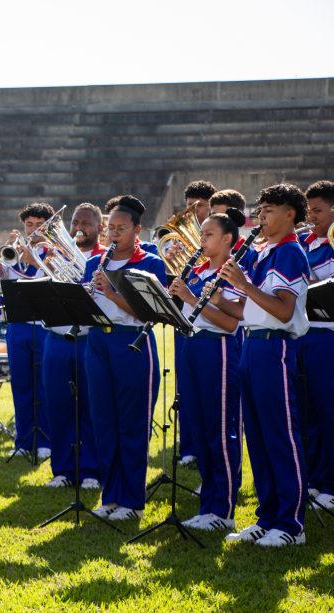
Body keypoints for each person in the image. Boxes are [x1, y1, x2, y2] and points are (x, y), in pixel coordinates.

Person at [218, 183, 311, 547]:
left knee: (280, 436)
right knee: (255, 436)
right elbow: (244, 311)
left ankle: (291, 525)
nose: (261, 216)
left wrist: (243, 282)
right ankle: (268, 515)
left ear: (290, 213)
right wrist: (198, 294)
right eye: (260, 209)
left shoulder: (290, 252)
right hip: (251, 345)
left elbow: (284, 310)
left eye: (269, 209)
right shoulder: (261, 251)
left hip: (276, 349)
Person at [84, 195, 166, 520]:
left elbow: (151, 313)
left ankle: (132, 501)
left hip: (132, 342)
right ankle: (111, 496)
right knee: (103, 422)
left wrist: (111, 294)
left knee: (132, 424)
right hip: (97, 343)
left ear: (137, 230)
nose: (113, 234)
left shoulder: (150, 263)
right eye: (110, 228)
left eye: (121, 228)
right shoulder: (94, 264)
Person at [169, 211, 247, 532]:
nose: (201, 241)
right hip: (193, 347)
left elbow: (231, 321)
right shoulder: (199, 271)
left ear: (227, 238)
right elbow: (186, 313)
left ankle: (223, 508)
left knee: (219, 428)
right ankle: (208, 503)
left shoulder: (234, 272)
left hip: (220, 349)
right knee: (199, 428)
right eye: (201, 235)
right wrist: (173, 297)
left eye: (208, 235)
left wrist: (189, 296)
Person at [41, 203, 105, 491]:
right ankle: (63, 468)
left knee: (91, 407)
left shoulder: (106, 259)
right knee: (58, 406)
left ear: (99, 228)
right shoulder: (57, 257)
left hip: (89, 340)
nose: (79, 227)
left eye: (86, 223)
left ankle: (92, 469)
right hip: (56, 339)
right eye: (75, 222)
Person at [0, 203, 53, 463]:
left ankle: (45, 440)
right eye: (29, 225)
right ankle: (23, 440)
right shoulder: (14, 252)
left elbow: (56, 280)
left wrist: (37, 259)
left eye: (38, 226)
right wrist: (3, 260)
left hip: (43, 327)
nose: (32, 230)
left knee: (44, 386)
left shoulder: (55, 252)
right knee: (20, 385)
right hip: (18, 325)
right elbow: (2, 284)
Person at [296, 180, 334, 511]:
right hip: (301, 333)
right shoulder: (303, 242)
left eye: (318, 211)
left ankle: (330, 485)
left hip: (327, 334)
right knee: (305, 411)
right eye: (309, 211)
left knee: (328, 410)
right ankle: (310, 478)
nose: (311, 217)